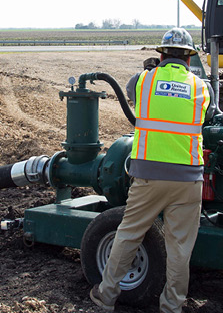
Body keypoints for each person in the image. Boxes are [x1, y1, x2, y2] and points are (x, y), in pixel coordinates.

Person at [89, 28, 211, 313]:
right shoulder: (201, 87)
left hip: (149, 177)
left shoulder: (143, 81)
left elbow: (132, 94)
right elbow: (207, 114)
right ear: (190, 58)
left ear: (161, 55)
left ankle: (106, 296)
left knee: (129, 234)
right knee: (180, 247)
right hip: (188, 179)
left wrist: (152, 71)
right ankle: (172, 306)